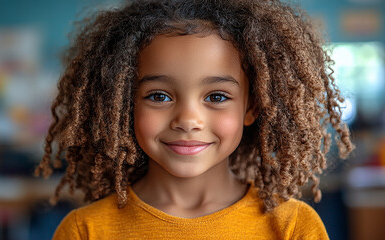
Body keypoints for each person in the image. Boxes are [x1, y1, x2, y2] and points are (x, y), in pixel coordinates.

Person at [35, 0, 354, 239]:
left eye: (216, 97)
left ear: (252, 107)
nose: (188, 120)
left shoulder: (293, 227)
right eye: (159, 96)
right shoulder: (85, 231)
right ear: (123, 106)